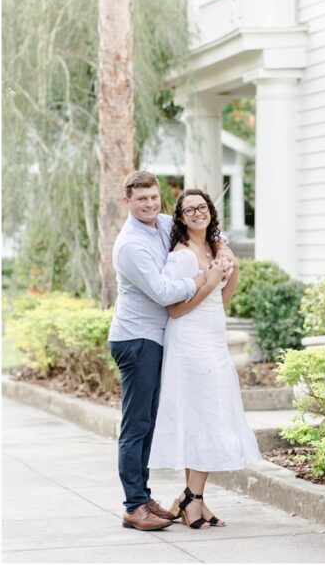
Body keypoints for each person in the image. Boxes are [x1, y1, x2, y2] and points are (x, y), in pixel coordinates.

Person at [108, 171, 224, 531]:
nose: (149, 204)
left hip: (156, 338)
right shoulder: (130, 245)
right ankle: (133, 505)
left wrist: (222, 252)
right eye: (141, 199)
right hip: (136, 338)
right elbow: (161, 292)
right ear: (127, 202)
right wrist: (203, 278)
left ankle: (144, 497)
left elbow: (200, 229)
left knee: (148, 421)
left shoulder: (159, 224)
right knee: (137, 424)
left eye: (154, 197)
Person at [148, 188, 262, 529]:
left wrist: (232, 269)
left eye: (202, 207)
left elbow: (222, 299)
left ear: (210, 211)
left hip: (213, 338)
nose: (197, 213)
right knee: (206, 417)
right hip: (189, 341)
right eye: (189, 210)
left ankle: (192, 500)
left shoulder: (216, 247)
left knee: (203, 419)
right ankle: (190, 499)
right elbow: (175, 309)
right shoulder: (181, 256)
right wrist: (210, 281)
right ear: (181, 218)